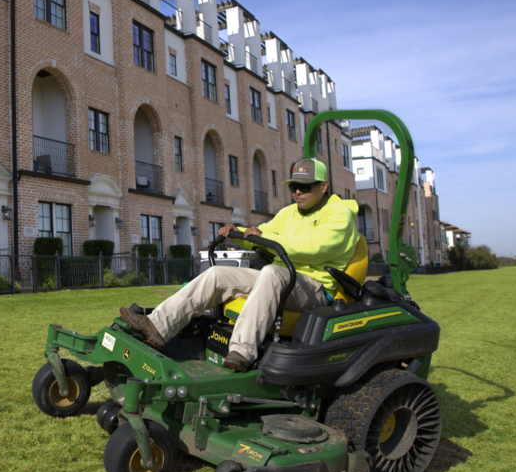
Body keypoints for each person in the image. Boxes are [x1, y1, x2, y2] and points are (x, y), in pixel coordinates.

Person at [120, 158, 361, 372]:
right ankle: (158, 326)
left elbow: (314, 247)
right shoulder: (289, 213)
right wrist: (237, 233)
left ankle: (242, 351)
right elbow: (263, 232)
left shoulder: (339, 214)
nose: (298, 192)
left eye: (306, 186)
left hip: (316, 287)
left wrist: (267, 239)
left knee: (271, 272)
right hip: (283, 277)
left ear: (324, 186)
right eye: (294, 187)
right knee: (217, 274)